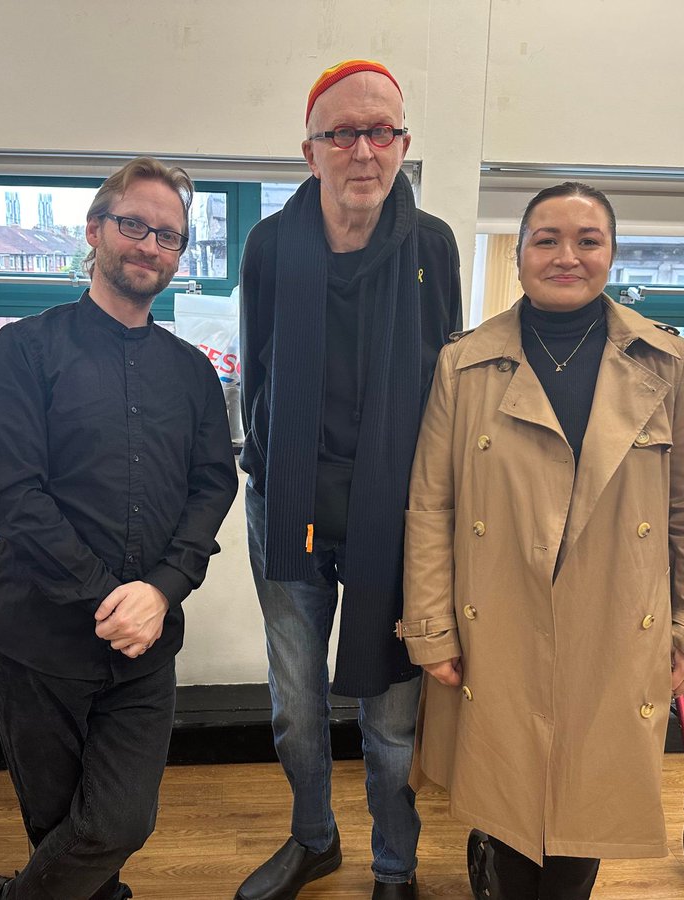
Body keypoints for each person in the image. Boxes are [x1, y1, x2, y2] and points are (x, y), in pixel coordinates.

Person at [400, 182, 684, 899]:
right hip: (501, 623)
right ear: (518, 253)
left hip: (615, 626)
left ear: (611, 254)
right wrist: (431, 630)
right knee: (508, 796)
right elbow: (432, 505)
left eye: (588, 240)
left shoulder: (665, 362)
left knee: (584, 813)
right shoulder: (464, 365)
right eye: (546, 239)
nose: (566, 256)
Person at [0, 157, 238, 900]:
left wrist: (161, 589)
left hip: (144, 648)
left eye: (170, 237)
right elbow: (10, 495)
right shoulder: (25, 349)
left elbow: (213, 484)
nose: (151, 245)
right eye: (134, 225)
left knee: (118, 822)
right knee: (59, 825)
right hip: (39, 642)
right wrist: (108, 596)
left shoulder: (192, 374)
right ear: (94, 230)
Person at [237, 60, 463, 900]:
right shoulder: (269, 245)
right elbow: (257, 370)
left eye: (382, 132)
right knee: (295, 707)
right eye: (343, 133)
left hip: (395, 518)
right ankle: (314, 839)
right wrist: (264, 466)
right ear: (310, 149)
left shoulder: (431, 245)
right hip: (288, 507)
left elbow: (447, 374)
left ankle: (394, 867)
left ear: (402, 144)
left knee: (391, 720)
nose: (364, 150)